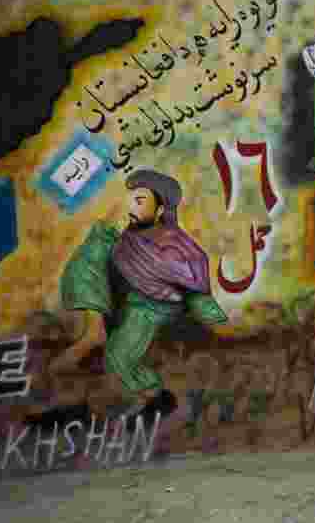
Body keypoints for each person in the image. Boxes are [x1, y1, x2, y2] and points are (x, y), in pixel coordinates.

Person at [28, 169, 227, 432]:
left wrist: (211, 316)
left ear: (160, 209)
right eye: (132, 199)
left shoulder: (174, 244)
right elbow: (109, 263)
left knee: (118, 356)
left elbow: (193, 275)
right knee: (94, 253)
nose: (132, 206)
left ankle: (156, 398)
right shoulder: (130, 239)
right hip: (126, 300)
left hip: (152, 307)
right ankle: (78, 396)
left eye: (141, 200)